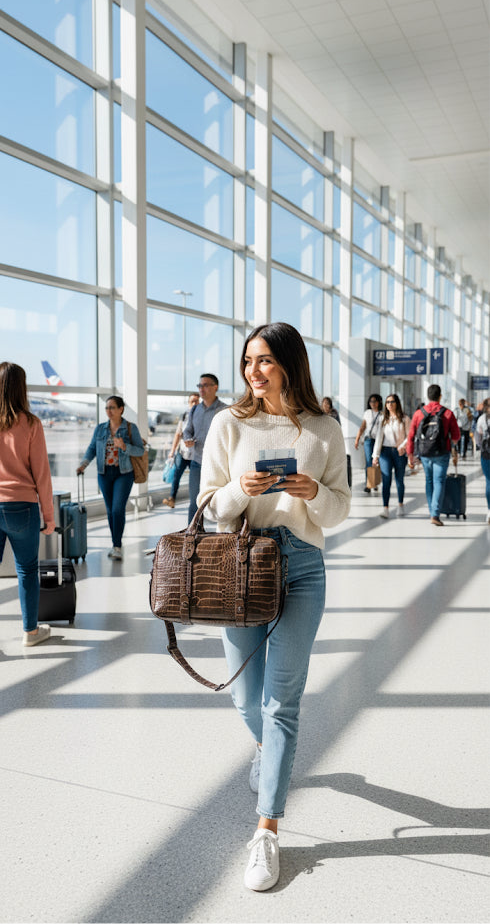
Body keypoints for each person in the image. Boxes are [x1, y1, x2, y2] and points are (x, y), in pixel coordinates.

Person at [197, 322, 351, 892]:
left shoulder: (324, 427)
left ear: (289, 363)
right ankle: (269, 751)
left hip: (303, 566)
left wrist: (316, 494)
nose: (252, 372)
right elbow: (211, 505)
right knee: (245, 694)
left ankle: (267, 830)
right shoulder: (227, 422)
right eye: (247, 362)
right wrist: (243, 488)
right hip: (242, 563)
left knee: (282, 701)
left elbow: (339, 510)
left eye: (263, 361)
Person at [0, 362, 55, 646]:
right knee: (27, 571)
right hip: (22, 505)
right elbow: (41, 474)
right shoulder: (31, 423)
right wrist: (49, 516)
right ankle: (30, 632)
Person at [77, 396, 144, 560]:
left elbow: (140, 451)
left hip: (124, 473)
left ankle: (117, 546)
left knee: (117, 509)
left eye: (112, 407)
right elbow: (92, 448)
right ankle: (115, 544)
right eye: (107, 408)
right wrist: (83, 465)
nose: (109, 411)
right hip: (104, 474)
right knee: (110, 511)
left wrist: (124, 446)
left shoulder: (130, 428)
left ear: (121, 409)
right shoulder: (100, 429)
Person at [406, 384, 460, 526]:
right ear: (440, 396)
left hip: (424, 452)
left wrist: (410, 454)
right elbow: (456, 436)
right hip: (442, 452)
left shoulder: (419, 413)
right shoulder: (447, 413)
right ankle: (435, 513)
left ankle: (432, 511)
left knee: (429, 481)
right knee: (439, 482)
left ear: (428, 396)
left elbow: (411, 435)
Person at [182, 374, 226, 523]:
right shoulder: (194, 410)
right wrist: (187, 439)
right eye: (200, 386)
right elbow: (188, 430)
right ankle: (192, 537)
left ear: (215, 387)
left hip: (218, 464)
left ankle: (226, 538)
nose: (201, 389)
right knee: (195, 503)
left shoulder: (224, 410)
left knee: (222, 503)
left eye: (205, 385)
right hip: (197, 462)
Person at [372, 394, 411, 519]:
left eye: (392, 401)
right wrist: (375, 455)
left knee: (399, 480)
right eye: (387, 402)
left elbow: (410, 436)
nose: (389, 404)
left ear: (397, 403)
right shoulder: (383, 419)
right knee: (386, 480)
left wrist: (403, 446)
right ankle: (386, 508)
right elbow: (379, 437)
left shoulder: (404, 418)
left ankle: (400, 505)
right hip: (385, 452)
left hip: (399, 452)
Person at [162, 393, 199, 508]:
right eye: (192, 401)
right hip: (182, 453)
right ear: (188, 403)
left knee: (196, 481)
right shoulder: (184, 416)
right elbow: (178, 435)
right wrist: (172, 451)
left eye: (196, 401)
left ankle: (198, 502)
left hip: (196, 455)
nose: (194, 403)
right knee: (176, 476)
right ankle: (172, 499)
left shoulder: (202, 418)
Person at [354, 393, 383, 493]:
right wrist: (357, 439)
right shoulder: (367, 413)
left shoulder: (382, 414)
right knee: (368, 462)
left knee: (376, 462)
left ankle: (375, 482)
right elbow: (363, 426)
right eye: (371, 401)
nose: (372, 403)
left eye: (374, 401)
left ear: (379, 402)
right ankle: (369, 484)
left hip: (378, 440)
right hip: (368, 440)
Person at [475, 397, 490, 523]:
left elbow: (478, 439)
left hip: (486, 455)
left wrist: (481, 448)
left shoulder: (481, 419)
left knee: (489, 482)